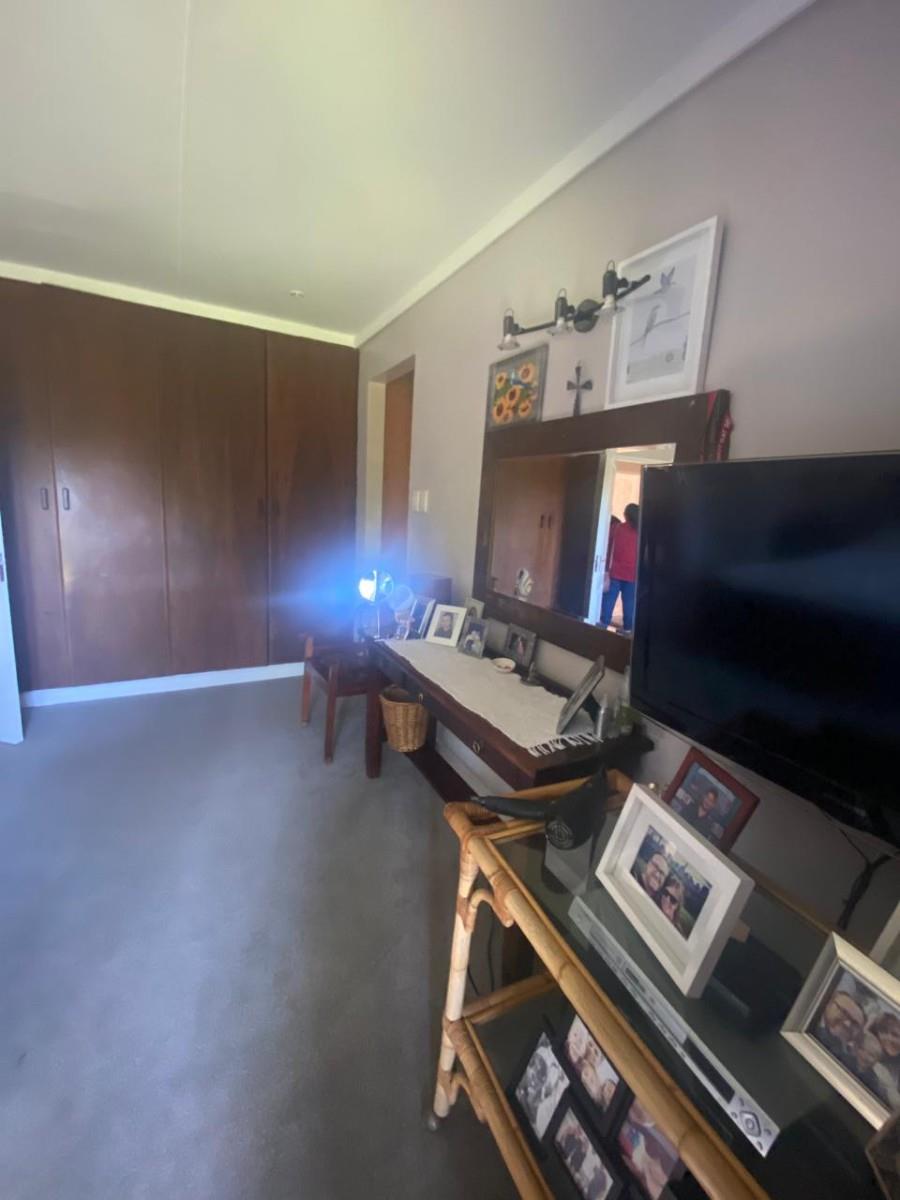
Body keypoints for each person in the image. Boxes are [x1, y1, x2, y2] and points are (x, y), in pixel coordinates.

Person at [600, 503, 639, 633]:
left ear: (626, 515)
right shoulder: (641, 532)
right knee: (629, 606)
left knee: (608, 604)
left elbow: (607, 546)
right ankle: (627, 632)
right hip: (633, 575)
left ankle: (601, 630)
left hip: (615, 573)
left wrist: (605, 569)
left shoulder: (616, 528)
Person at [815, 988, 866, 1063]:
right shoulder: (807, 1019)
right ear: (829, 1002)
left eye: (854, 1024)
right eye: (844, 1012)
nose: (847, 1024)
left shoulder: (847, 1062)